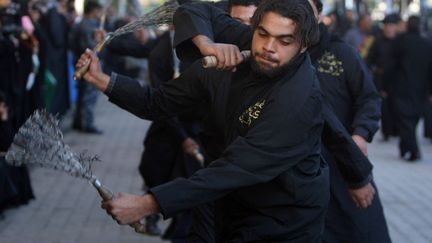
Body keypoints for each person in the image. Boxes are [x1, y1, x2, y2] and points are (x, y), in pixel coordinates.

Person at [77, 0, 331, 241]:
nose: (269, 47)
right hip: (228, 201)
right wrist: (102, 80)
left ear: (304, 46)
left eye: (284, 41)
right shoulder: (249, 41)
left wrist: (148, 204)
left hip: (281, 218)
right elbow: (192, 11)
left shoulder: (298, 102)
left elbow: (234, 169)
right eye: (262, 33)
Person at [170, 0, 388, 242]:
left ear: (317, 14)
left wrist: (360, 140)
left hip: (330, 165)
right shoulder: (261, 57)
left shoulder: (339, 54)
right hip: (267, 177)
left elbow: (358, 107)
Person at [385, 15, 432, 161]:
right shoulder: (427, 44)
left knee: (405, 120)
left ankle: (412, 149)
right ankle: (407, 147)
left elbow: (391, 66)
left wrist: (385, 85)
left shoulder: (400, 42)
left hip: (401, 87)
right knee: (411, 120)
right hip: (420, 89)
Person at [367, 13, 402, 141]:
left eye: (391, 26)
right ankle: (387, 131)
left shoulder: (400, 41)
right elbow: (369, 59)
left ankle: (396, 130)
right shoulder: (377, 41)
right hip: (381, 79)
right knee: (384, 107)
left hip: (397, 80)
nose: (389, 28)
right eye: (387, 26)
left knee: (396, 106)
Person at [70, 1, 103, 134]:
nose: (100, 14)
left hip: (81, 64)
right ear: (93, 10)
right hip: (86, 65)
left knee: (83, 94)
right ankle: (86, 124)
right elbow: (91, 48)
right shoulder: (86, 26)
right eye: (98, 11)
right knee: (88, 95)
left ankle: (78, 122)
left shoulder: (83, 23)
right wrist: (99, 40)